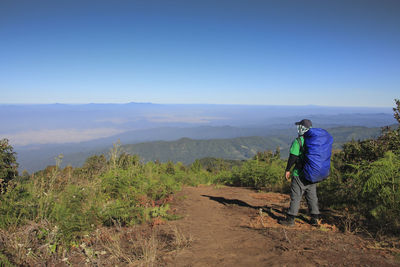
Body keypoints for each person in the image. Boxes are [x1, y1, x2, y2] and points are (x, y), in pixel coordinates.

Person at [278, 119, 320, 226]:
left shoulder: (299, 141)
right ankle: (314, 219)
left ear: (302, 128)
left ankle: (290, 220)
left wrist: (288, 169)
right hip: (312, 174)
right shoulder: (315, 140)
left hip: (299, 174)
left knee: (296, 196)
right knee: (312, 197)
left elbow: (293, 157)